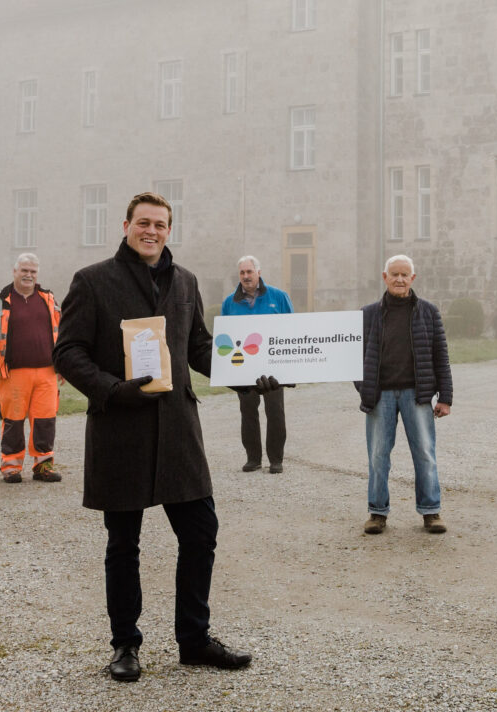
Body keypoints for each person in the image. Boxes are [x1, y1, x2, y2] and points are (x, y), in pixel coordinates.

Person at [53, 192, 254, 682]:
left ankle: (194, 639)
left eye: (161, 225)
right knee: (123, 544)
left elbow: (202, 348)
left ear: (169, 230)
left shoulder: (185, 281)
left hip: (178, 433)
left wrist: (255, 369)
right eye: (143, 223)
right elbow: (68, 352)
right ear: (126, 226)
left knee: (201, 533)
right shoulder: (92, 280)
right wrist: (112, 390)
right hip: (122, 429)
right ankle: (125, 645)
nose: (152, 231)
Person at [356, 254, 452, 535]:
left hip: (417, 394)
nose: (399, 279)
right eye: (394, 274)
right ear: (384, 277)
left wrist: (445, 396)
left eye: (404, 274)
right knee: (377, 456)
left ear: (413, 278)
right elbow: (353, 356)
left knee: (424, 454)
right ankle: (377, 512)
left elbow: (440, 356)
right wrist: (364, 388)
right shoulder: (368, 314)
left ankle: (431, 511)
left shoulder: (429, 312)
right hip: (380, 396)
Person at [0, 253, 63, 483]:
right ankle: (11, 466)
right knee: (13, 421)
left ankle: (43, 465)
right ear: (14, 271)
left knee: (46, 420)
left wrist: (64, 365)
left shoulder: (49, 299)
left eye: (33, 271)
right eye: (24, 270)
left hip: (47, 372)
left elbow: (61, 334)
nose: (29, 275)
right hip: (12, 373)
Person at [221, 256, 294, 473]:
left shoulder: (279, 297)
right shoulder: (229, 303)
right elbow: (224, 335)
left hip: (273, 367)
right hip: (243, 366)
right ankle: (253, 458)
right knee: (248, 411)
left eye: (249, 272)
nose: (245, 276)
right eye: (242, 273)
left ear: (258, 272)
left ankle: (276, 459)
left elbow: (293, 329)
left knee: (275, 411)